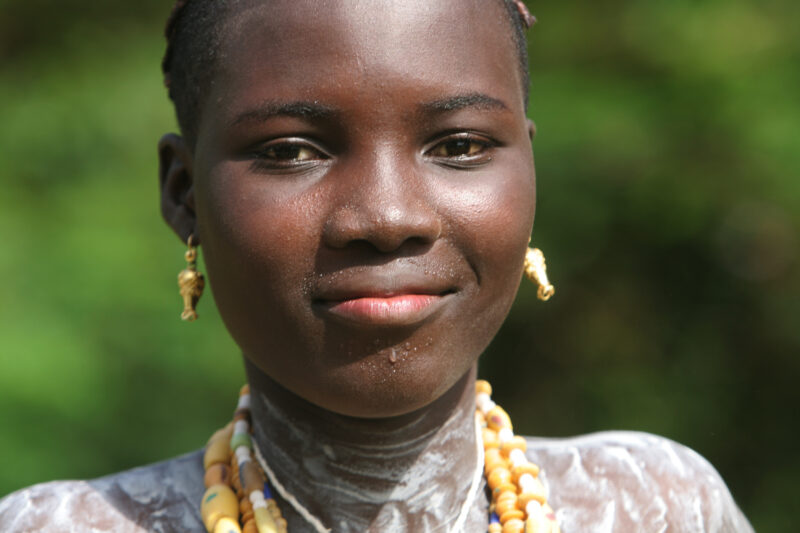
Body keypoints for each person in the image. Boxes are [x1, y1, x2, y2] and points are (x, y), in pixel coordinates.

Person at [0, 1, 754, 532]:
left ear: (530, 172)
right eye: (292, 150)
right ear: (184, 193)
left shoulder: (653, 507)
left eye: (459, 146)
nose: (388, 218)